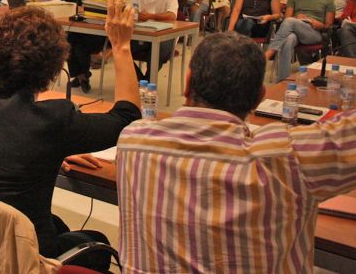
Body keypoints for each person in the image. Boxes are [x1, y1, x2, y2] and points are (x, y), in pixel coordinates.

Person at [118, 31, 356, 272]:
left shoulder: (134, 141)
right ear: (260, 98)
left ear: (187, 83)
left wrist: (121, 46)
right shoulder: (287, 156)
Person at [0, 0, 141, 273]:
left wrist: (57, 150)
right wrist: (121, 45)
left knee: (59, 225)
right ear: (54, 67)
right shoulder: (54, 120)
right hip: (26, 256)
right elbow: (127, 119)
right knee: (97, 243)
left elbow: (16, 143)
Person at [265, 0, 334, 82]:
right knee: (289, 39)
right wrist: (297, 18)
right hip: (296, 29)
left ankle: (269, 53)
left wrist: (319, 24)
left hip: (315, 32)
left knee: (290, 23)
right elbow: (287, 19)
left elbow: (329, 25)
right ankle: (283, 80)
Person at [60, 0, 116, 92]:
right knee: (67, 41)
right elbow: (62, 0)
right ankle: (82, 76)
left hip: (98, 32)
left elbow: (110, 11)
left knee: (78, 44)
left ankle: (82, 76)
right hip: (78, 28)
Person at [129, 0, 178, 80]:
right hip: (142, 33)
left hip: (164, 35)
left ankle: (145, 81)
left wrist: (150, 16)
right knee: (121, 47)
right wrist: (136, 14)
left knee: (157, 53)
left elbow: (172, 15)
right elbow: (129, 9)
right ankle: (142, 81)